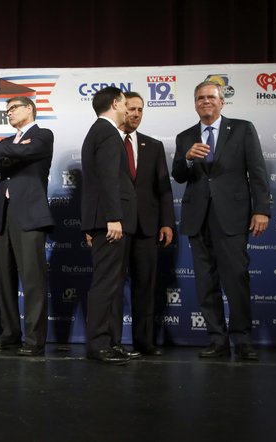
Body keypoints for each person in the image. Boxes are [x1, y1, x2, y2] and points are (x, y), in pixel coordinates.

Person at [172, 81, 270, 361]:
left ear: (221, 102)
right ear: (194, 103)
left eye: (211, 97)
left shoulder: (242, 129)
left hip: (233, 217)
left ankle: (242, 340)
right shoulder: (185, 136)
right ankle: (217, 339)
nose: (206, 102)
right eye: (200, 98)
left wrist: (261, 210)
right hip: (198, 218)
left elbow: (258, 171)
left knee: (236, 280)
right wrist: (188, 159)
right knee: (205, 283)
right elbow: (179, 174)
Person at [0, 96, 53, 356]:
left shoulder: (43, 135)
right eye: (6, 110)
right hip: (4, 217)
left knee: (32, 281)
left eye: (13, 108)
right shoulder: (7, 142)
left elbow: (27, 151)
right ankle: (9, 334)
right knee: (4, 280)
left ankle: (34, 340)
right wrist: (6, 154)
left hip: (29, 216)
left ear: (29, 109)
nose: (8, 113)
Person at [114, 92, 174, 357]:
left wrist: (167, 223)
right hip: (115, 226)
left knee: (145, 286)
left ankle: (144, 341)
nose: (136, 114)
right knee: (113, 286)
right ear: (119, 110)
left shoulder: (154, 145)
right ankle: (112, 342)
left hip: (147, 227)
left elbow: (163, 189)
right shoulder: (108, 143)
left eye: (140, 109)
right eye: (131, 109)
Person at [80, 86, 135, 365]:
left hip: (105, 218)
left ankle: (110, 342)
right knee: (105, 283)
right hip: (109, 220)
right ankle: (99, 345)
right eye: (125, 103)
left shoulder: (101, 131)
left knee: (112, 283)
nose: (128, 109)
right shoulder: (107, 132)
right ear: (115, 103)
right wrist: (114, 217)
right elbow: (107, 177)